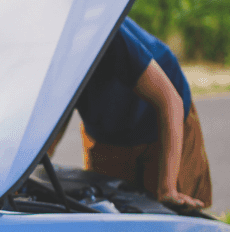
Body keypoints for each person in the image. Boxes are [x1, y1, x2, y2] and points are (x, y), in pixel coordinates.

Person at [61, 17, 212, 210]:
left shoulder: (104, 32)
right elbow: (57, 112)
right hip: (106, 126)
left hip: (163, 117)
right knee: (108, 209)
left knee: (169, 210)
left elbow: (170, 101)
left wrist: (168, 188)